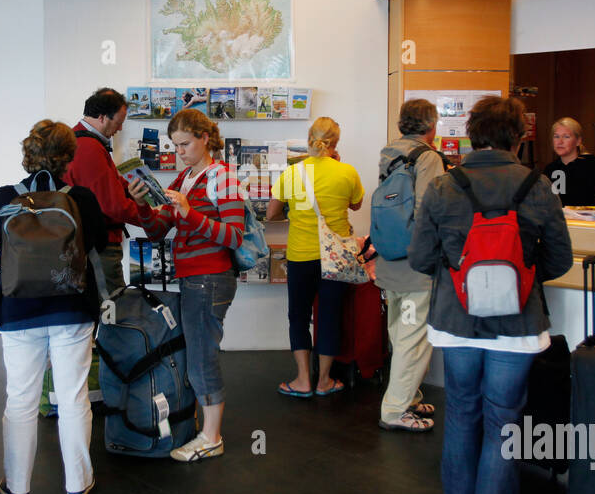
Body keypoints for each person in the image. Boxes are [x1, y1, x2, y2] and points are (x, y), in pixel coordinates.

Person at [409, 96, 573, 494]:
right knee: (504, 421)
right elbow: (559, 259)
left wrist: (459, 274)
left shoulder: (443, 185)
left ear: (471, 133)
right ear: (518, 136)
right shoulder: (538, 186)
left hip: (456, 320)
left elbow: (421, 257)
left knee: (462, 408)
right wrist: (519, 276)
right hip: (517, 325)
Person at [0, 120, 107, 494]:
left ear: (28, 153)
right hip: (72, 307)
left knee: (20, 399)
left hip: (17, 308)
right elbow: (98, 243)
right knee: (73, 397)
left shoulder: (4, 197)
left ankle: (18, 488)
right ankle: (77, 484)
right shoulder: (82, 198)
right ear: (67, 157)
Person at [129, 109, 244, 462]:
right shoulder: (184, 178)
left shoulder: (222, 177)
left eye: (185, 144)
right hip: (193, 278)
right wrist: (142, 204)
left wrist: (189, 213)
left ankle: (211, 437)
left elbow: (234, 236)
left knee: (201, 357)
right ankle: (205, 429)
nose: (179, 152)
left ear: (204, 138)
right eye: (175, 146)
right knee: (195, 354)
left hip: (211, 278)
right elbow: (157, 230)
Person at [268, 117, 365, 398]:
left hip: (301, 255)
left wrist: (294, 212)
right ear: (335, 143)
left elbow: (272, 213)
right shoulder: (346, 172)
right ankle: (324, 381)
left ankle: (302, 380)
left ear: (310, 139)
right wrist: (337, 166)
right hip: (335, 257)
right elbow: (356, 204)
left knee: (299, 316)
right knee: (330, 316)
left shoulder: (292, 173)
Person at [375, 99, 447, 432]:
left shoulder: (390, 152)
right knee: (413, 339)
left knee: (400, 331)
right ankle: (394, 410)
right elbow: (429, 211)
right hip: (416, 266)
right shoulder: (428, 157)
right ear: (431, 125)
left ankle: (410, 395)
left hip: (391, 260)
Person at [65, 87, 154, 294]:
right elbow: (112, 205)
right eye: (119, 122)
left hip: (86, 242)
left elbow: (112, 184)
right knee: (114, 304)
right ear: (103, 117)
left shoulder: (77, 140)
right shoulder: (89, 148)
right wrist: (152, 217)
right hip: (99, 246)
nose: (120, 128)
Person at [543, 117, 595, 207]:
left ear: (578, 141)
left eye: (566, 137)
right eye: (556, 136)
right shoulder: (549, 169)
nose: (560, 142)